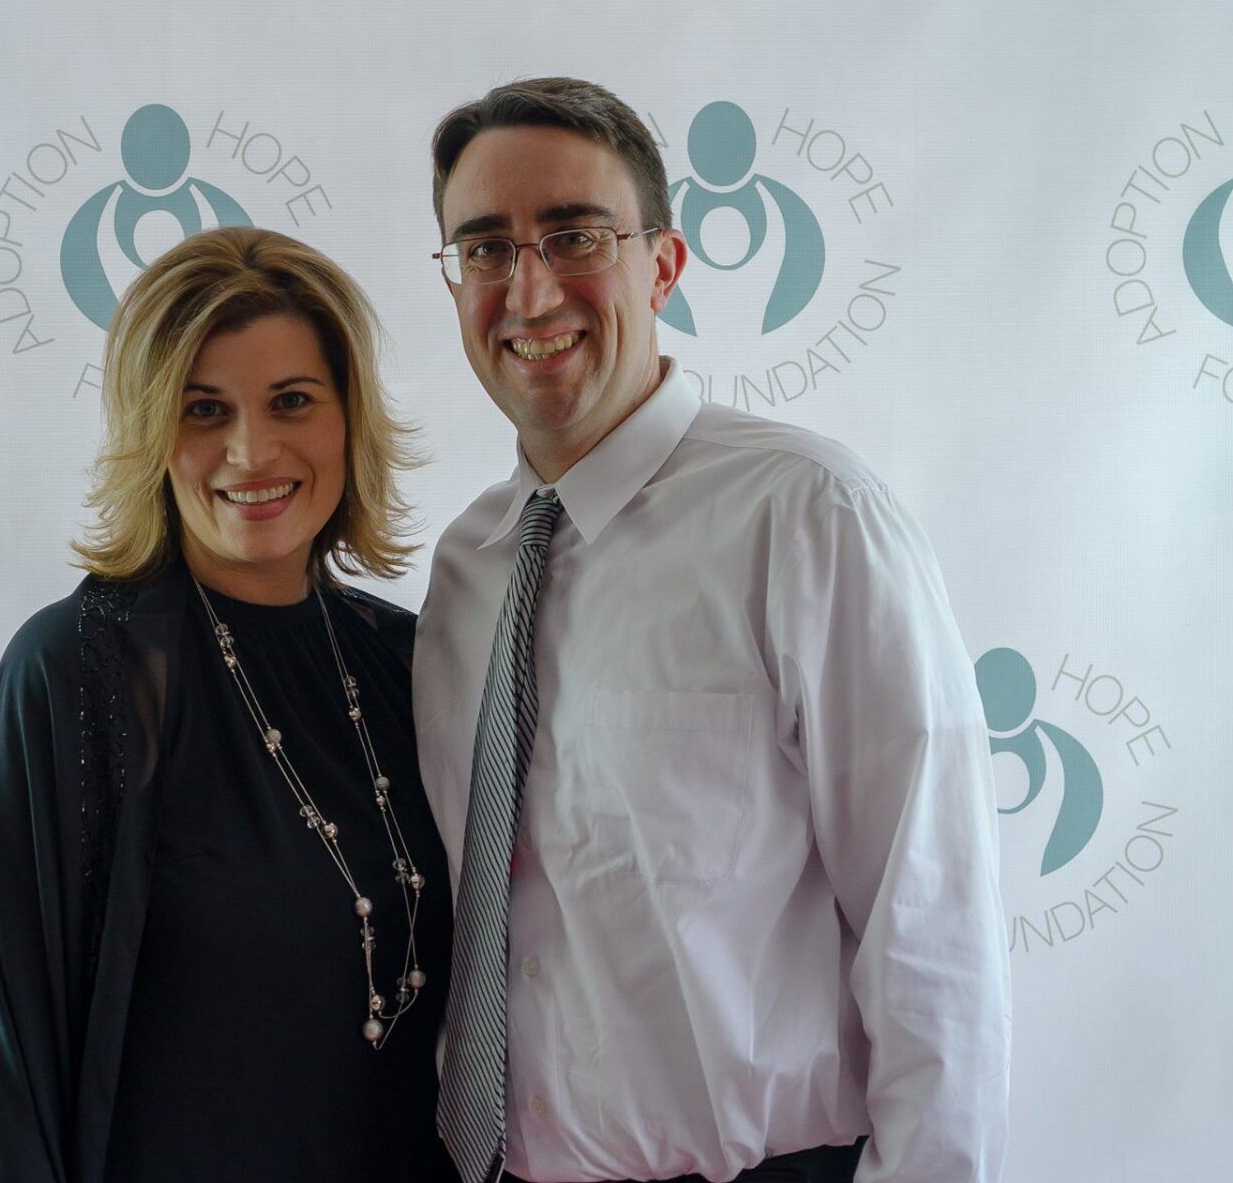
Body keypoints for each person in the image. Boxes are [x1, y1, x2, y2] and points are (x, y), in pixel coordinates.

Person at [414, 78, 1009, 1183]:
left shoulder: (807, 515)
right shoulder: (466, 566)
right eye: (485, 248)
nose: (529, 290)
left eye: (574, 236)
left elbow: (929, 923)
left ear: (664, 264)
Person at [0, 226, 457, 1183]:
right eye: (203, 410)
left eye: (292, 401)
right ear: (151, 433)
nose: (251, 450)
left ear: (350, 417)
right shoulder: (78, 675)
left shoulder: (408, 660)